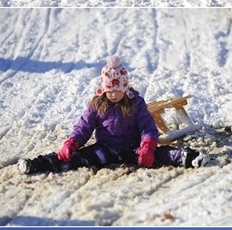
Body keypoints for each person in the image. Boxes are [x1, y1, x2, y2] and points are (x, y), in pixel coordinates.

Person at [27, 55, 161, 175]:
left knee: (157, 156)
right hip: (105, 149)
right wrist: (72, 143)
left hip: (132, 148)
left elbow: (147, 127)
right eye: (110, 90)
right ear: (103, 89)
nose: (114, 94)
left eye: (118, 90)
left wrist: (147, 147)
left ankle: (181, 156)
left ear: (125, 88)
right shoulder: (96, 105)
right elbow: (84, 127)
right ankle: (39, 164)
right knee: (75, 159)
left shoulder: (135, 102)